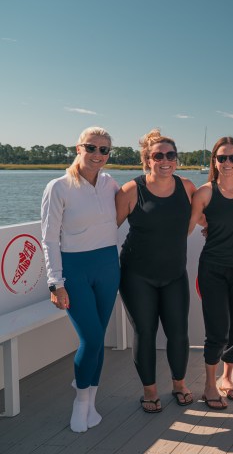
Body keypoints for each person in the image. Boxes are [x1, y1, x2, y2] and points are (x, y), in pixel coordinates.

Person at [40, 127, 120, 433]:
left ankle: (91, 402)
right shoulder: (58, 187)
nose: (98, 155)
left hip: (108, 267)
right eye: (92, 148)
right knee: (93, 339)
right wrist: (55, 282)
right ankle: (80, 400)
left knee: (98, 337)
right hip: (75, 271)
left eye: (104, 150)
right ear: (78, 148)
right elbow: (48, 239)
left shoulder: (111, 183)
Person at [115, 129, 196, 414]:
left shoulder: (187, 187)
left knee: (179, 332)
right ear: (147, 160)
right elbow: (104, 230)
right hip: (137, 275)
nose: (165, 160)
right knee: (145, 332)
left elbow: (197, 223)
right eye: (158, 155)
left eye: (170, 155)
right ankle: (149, 391)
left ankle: (179, 384)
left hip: (175, 273)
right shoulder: (131, 190)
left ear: (177, 159)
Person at [188, 137, 233, 410]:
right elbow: (189, 226)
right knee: (218, 330)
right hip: (213, 269)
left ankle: (227, 379)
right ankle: (209, 386)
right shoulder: (204, 193)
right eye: (222, 158)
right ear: (215, 161)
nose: (227, 163)